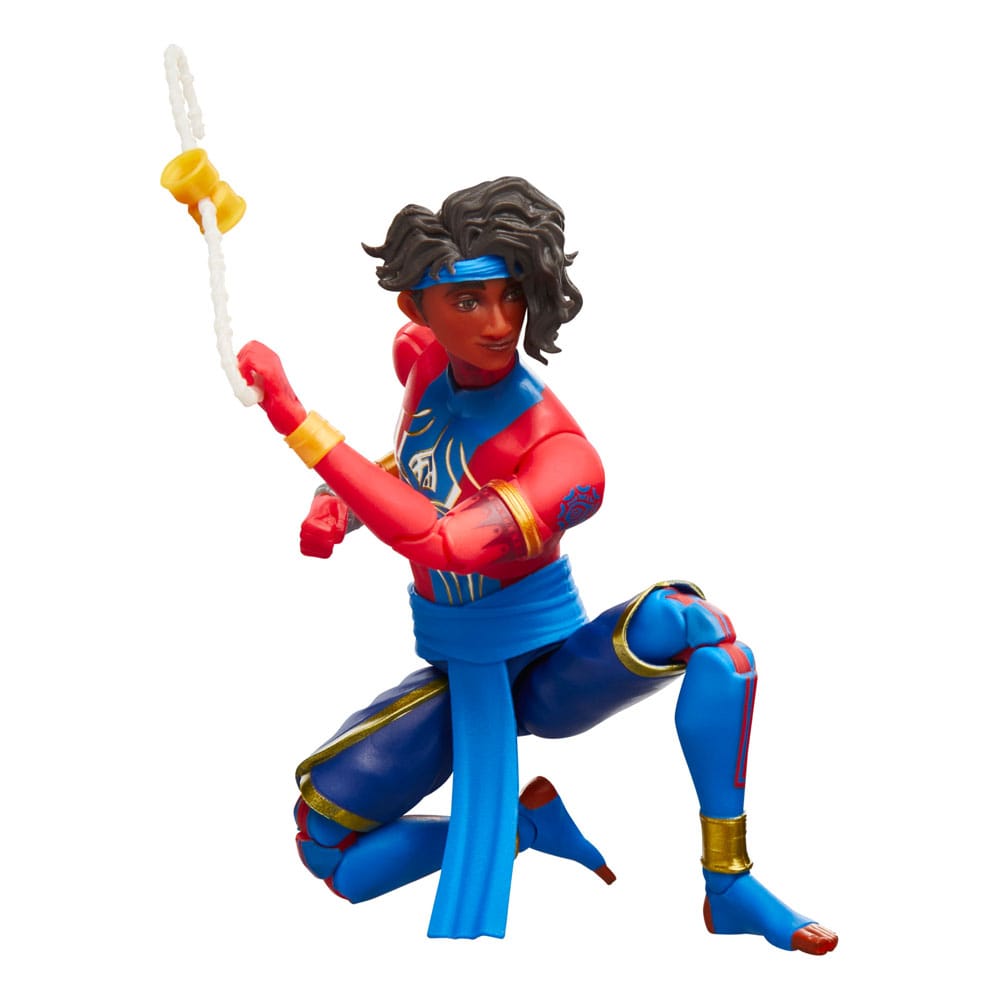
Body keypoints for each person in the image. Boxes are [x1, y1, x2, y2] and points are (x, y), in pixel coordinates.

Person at [236, 176, 837, 952]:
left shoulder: (561, 453)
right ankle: (526, 827)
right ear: (416, 308)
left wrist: (297, 422)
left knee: (701, 631)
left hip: (549, 671)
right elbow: (420, 467)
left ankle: (729, 883)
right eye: (467, 301)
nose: (498, 323)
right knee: (327, 849)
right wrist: (340, 501)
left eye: (511, 295)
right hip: (457, 666)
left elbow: (444, 539)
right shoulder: (423, 361)